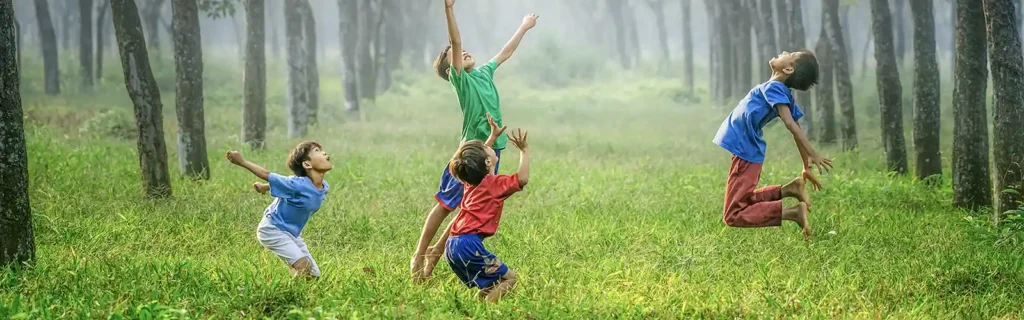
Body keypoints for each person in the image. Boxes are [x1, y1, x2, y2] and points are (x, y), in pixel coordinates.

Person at [410, 0, 539, 282]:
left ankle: (437, 252)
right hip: (469, 154)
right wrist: (449, 10)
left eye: (463, 53)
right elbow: (456, 40)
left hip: (492, 150)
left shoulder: (483, 73)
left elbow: (505, 52)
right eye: (454, 56)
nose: (463, 53)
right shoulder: (461, 80)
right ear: (450, 69)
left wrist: (523, 27)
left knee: (470, 204)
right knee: (446, 205)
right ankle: (419, 255)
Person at [712, 50, 833, 241]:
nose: (784, 51)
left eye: (790, 54)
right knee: (743, 201)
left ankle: (792, 213)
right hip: (746, 150)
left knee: (733, 214)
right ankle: (789, 190)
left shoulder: (775, 88)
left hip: (746, 151)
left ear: (788, 68)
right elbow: (796, 126)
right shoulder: (779, 90)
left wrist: (812, 153)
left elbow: (791, 124)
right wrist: (805, 165)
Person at [439, 115, 529, 302]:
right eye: (489, 149)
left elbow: (478, 164)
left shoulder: (471, 182)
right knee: (509, 278)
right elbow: (522, 179)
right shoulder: (493, 184)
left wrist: (492, 137)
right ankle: (489, 311)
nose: (491, 148)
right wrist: (524, 151)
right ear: (487, 162)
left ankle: (477, 309)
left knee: (491, 284)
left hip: (452, 245)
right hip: (468, 245)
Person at [226, 142, 332, 277]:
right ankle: (285, 294)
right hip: (273, 229)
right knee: (304, 268)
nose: (323, 153)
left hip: (293, 234)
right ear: (307, 164)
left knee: (313, 275)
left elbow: (286, 185)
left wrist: (265, 187)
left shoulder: (324, 187)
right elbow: (267, 174)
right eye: (317, 151)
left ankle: (295, 280)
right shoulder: (297, 184)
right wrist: (242, 161)